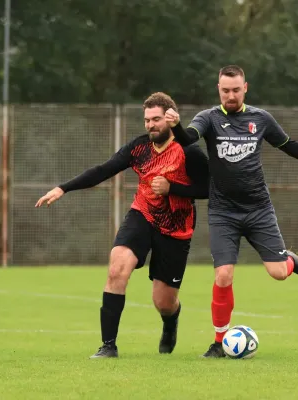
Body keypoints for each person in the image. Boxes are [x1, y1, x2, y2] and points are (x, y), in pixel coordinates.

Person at [167, 65, 298, 358]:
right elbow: (188, 139)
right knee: (223, 276)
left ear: (246, 88)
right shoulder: (209, 118)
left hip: (258, 210)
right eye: (225, 90)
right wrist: (176, 126)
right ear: (219, 89)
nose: (230, 95)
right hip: (223, 213)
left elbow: (291, 146)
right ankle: (218, 342)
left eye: (236, 90)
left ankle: (289, 260)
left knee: (278, 273)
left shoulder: (260, 119)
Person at [35, 92, 209, 358]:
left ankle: (170, 321)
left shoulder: (189, 152)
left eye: (157, 119)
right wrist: (63, 188)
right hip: (142, 215)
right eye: (147, 120)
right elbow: (103, 170)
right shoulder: (138, 148)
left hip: (176, 228)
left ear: (171, 118)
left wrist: (173, 188)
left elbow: (209, 189)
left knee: (163, 302)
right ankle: (108, 346)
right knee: (117, 266)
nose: (151, 125)